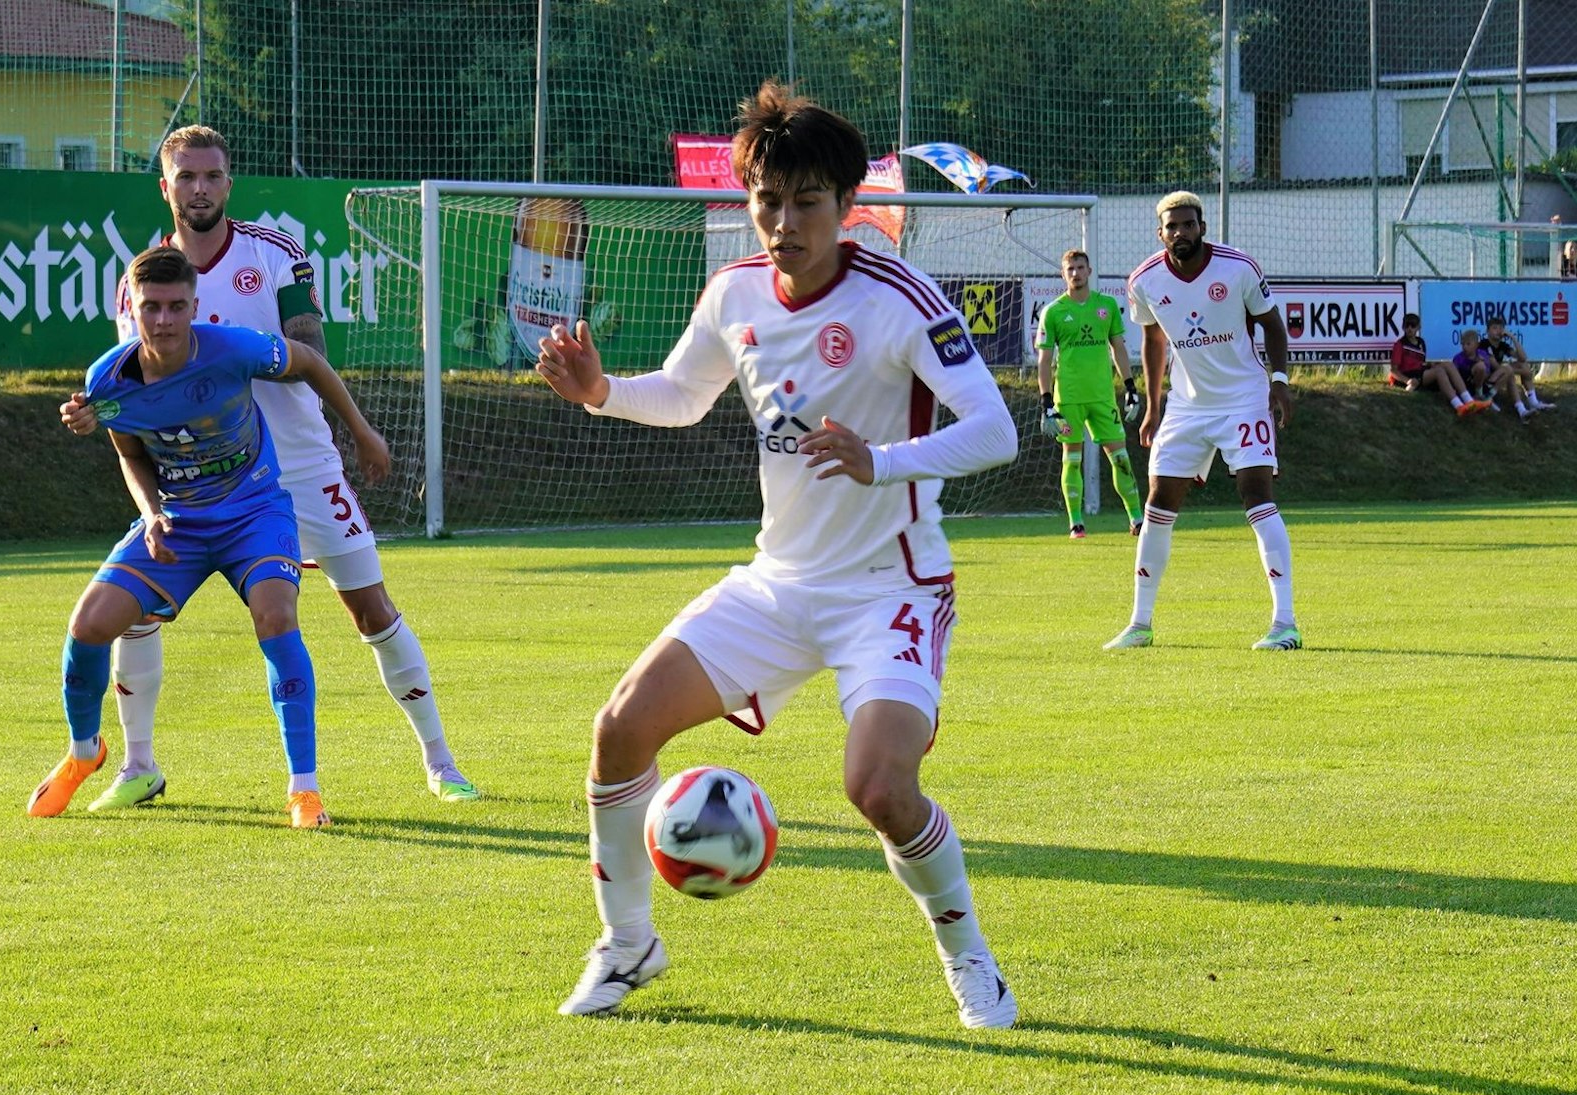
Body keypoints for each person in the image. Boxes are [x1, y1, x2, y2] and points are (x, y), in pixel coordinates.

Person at [534, 81, 1021, 1028]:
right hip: (779, 579)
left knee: (879, 787)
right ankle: (628, 945)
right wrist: (602, 392)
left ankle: (970, 959)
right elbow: (680, 395)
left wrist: (881, 462)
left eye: (806, 202)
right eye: (767, 200)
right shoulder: (734, 292)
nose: (784, 222)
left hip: (891, 588)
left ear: (847, 206)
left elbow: (996, 430)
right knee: (620, 729)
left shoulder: (902, 300)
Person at [63, 125, 480, 808]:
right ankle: (138, 764)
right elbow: (139, 392)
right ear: (165, 187)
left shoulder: (275, 252)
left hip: (300, 464)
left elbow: (307, 350)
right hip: (200, 479)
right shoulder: (142, 280)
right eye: (186, 177)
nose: (200, 189)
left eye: (212, 176)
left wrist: (356, 430)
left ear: (229, 183)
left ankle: (441, 761)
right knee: (136, 612)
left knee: (369, 606)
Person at [31, 246, 379, 829]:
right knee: (89, 625)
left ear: (195, 306)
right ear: (132, 309)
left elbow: (312, 364)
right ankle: (86, 751)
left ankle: (305, 790)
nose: (163, 320)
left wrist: (363, 434)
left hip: (254, 512)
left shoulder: (234, 348)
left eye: (175, 307)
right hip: (181, 523)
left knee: (276, 617)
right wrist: (150, 514)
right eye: (151, 308)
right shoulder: (107, 379)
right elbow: (131, 454)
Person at [1102, 191, 1300, 652]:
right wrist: (1154, 405)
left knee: (1256, 496)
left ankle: (1285, 622)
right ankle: (1140, 623)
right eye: (1172, 227)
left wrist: (1280, 381)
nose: (1181, 233)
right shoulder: (1145, 281)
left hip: (1244, 399)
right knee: (1158, 502)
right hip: (1187, 407)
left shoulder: (1237, 268)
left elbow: (1273, 324)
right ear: (1161, 233)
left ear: (1202, 227)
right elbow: (1152, 341)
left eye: (1189, 224)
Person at [1035, 249, 1142, 538]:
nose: (1075, 273)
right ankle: (1076, 523)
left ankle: (1137, 518)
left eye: (1080, 268)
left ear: (1089, 271)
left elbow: (1118, 348)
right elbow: (1044, 360)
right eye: (1070, 269)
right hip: (1068, 398)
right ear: (1063, 274)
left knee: (1120, 458)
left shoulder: (1106, 305)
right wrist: (1046, 402)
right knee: (1071, 458)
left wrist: (1131, 386)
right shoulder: (1053, 311)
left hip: (1102, 397)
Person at [1390, 313, 1488, 418]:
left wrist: (1430, 364)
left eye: (1413, 325)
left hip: (1420, 373)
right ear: (1402, 327)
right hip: (1409, 376)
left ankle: (1469, 401)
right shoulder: (1400, 345)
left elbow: (1419, 363)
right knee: (1439, 371)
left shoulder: (1421, 342)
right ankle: (1458, 406)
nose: (1409, 328)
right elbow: (1393, 371)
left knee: (1448, 365)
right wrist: (1407, 381)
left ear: (1419, 327)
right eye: (1406, 325)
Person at [1483, 315, 1554, 417]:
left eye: (1500, 328)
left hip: (1500, 372)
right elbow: (1494, 366)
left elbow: (1523, 358)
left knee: (1523, 365)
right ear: (1488, 331)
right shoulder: (1484, 344)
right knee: (1510, 372)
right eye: (1494, 328)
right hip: (1487, 377)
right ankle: (1521, 410)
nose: (1498, 331)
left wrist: (1513, 338)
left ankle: (1533, 402)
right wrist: (1515, 371)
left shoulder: (1503, 345)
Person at [1451, 329, 1519, 417]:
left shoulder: (1482, 354)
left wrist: (1491, 378)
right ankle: (1477, 396)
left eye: (1468, 344)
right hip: (1468, 386)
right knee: (1480, 366)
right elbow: (1455, 376)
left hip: (1484, 383)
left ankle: (1488, 397)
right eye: (1462, 344)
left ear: (1476, 345)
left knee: (1508, 369)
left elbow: (1487, 373)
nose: (1464, 347)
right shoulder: (1458, 358)